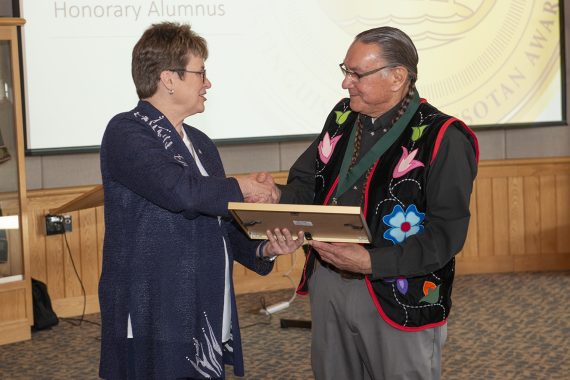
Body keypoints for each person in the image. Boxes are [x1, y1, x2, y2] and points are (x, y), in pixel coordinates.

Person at [266, 26, 479, 379]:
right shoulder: (342, 116)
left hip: (399, 293)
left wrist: (371, 261)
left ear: (397, 77)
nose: (346, 83)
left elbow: (446, 235)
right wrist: (275, 196)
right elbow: (307, 181)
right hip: (329, 281)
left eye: (356, 73)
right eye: (345, 70)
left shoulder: (444, 137)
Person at [98, 22, 303, 380]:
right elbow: (182, 193)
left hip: (204, 299)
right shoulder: (126, 131)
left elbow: (216, 218)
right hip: (155, 305)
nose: (208, 83)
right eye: (201, 72)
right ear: (169, 78)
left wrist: (263, 248)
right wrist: (243, 187)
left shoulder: (201, 142)